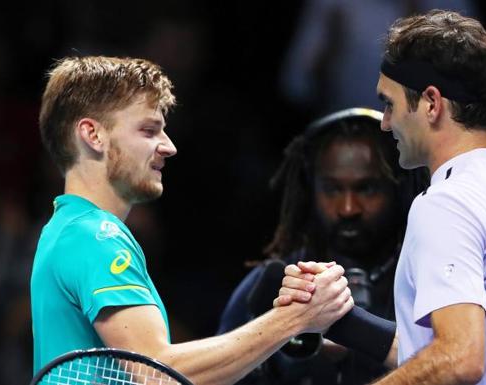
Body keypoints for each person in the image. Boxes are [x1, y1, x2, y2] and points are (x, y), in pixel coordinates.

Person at [279, 9, 486, 385]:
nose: (385, 123)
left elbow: (459, 359)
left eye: (389, 103)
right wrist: (342, 321)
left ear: (431, 103)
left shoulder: (447, 204)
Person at [30, 55, 355, 385]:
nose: (168, 146)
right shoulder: (96, 236)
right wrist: (296, 317)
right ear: (92, 134)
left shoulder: (64, 230)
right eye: (148, 130)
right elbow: (158, 371)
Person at [218, 108, 428, 384]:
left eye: (366, 189)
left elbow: (459, 363)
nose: (348, 208)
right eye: (332, 189)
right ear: (311, 189)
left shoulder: (426, 278)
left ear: (398, 189)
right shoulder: (271, 284)